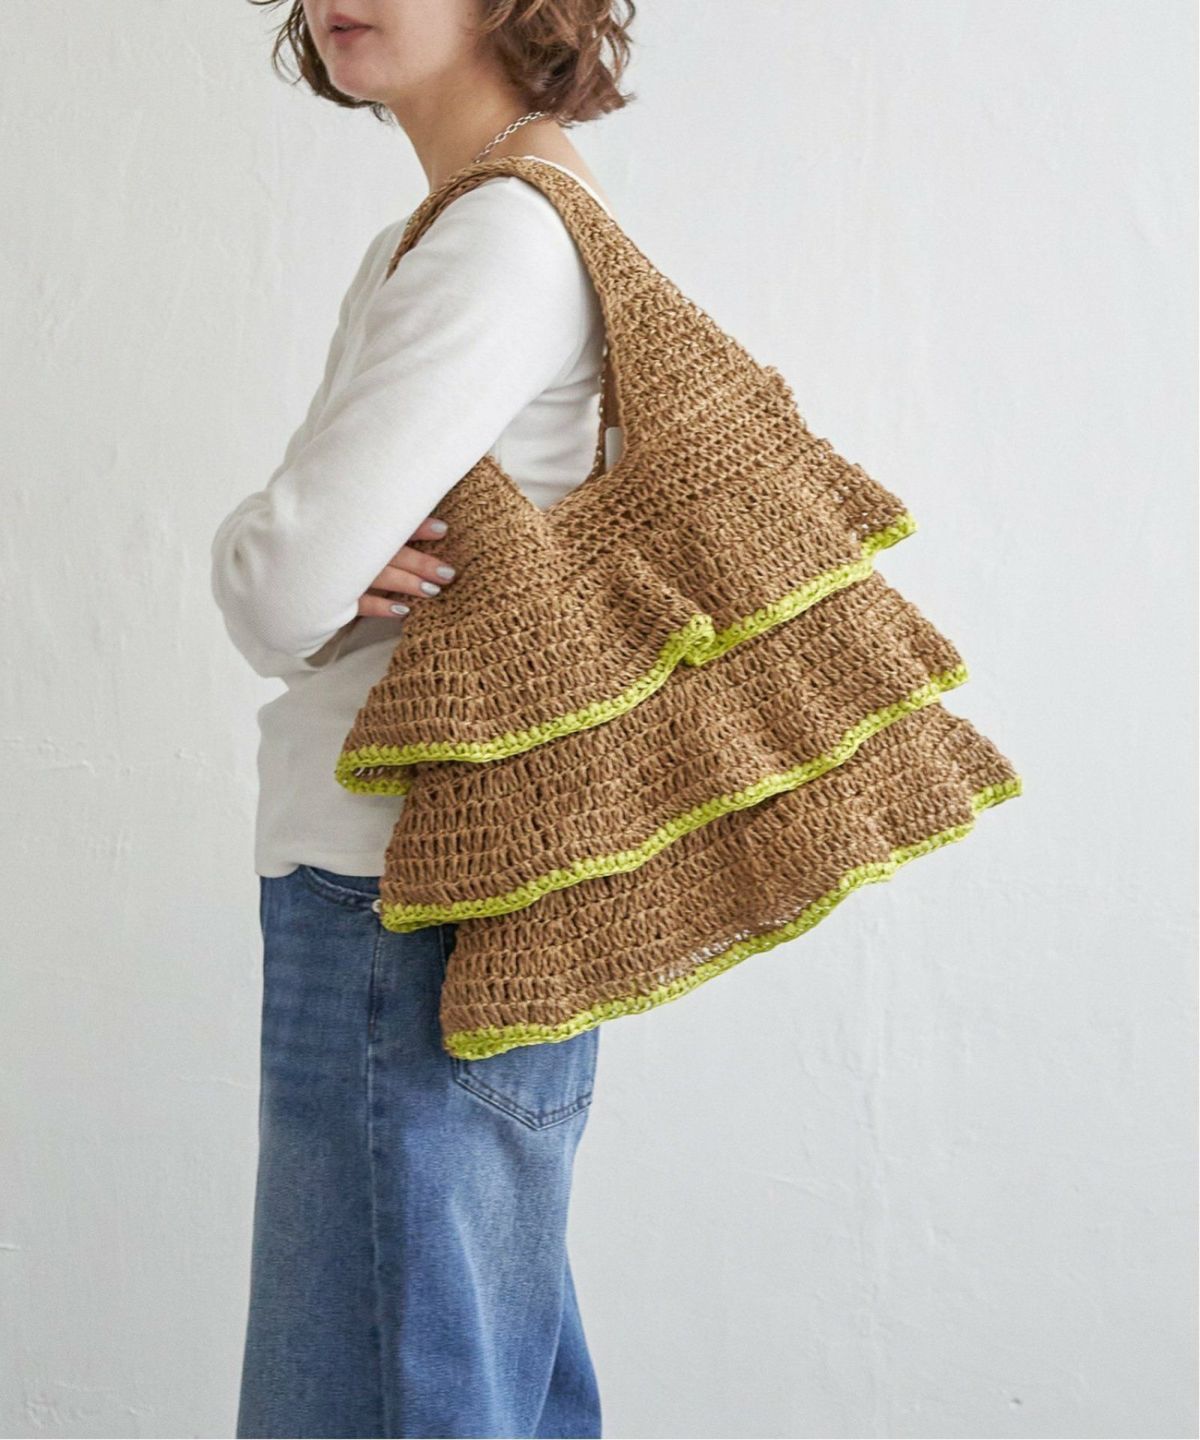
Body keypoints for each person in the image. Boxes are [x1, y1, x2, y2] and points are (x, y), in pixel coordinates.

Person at [210, 2, 636, 1434]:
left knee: (377, 1401)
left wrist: (255, 552)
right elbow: (314, 569)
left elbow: (283, 587)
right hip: (469, 887)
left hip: (397, 896)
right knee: (482, 1387)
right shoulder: (473, 222)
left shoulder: (498, 237)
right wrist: (303, 561)